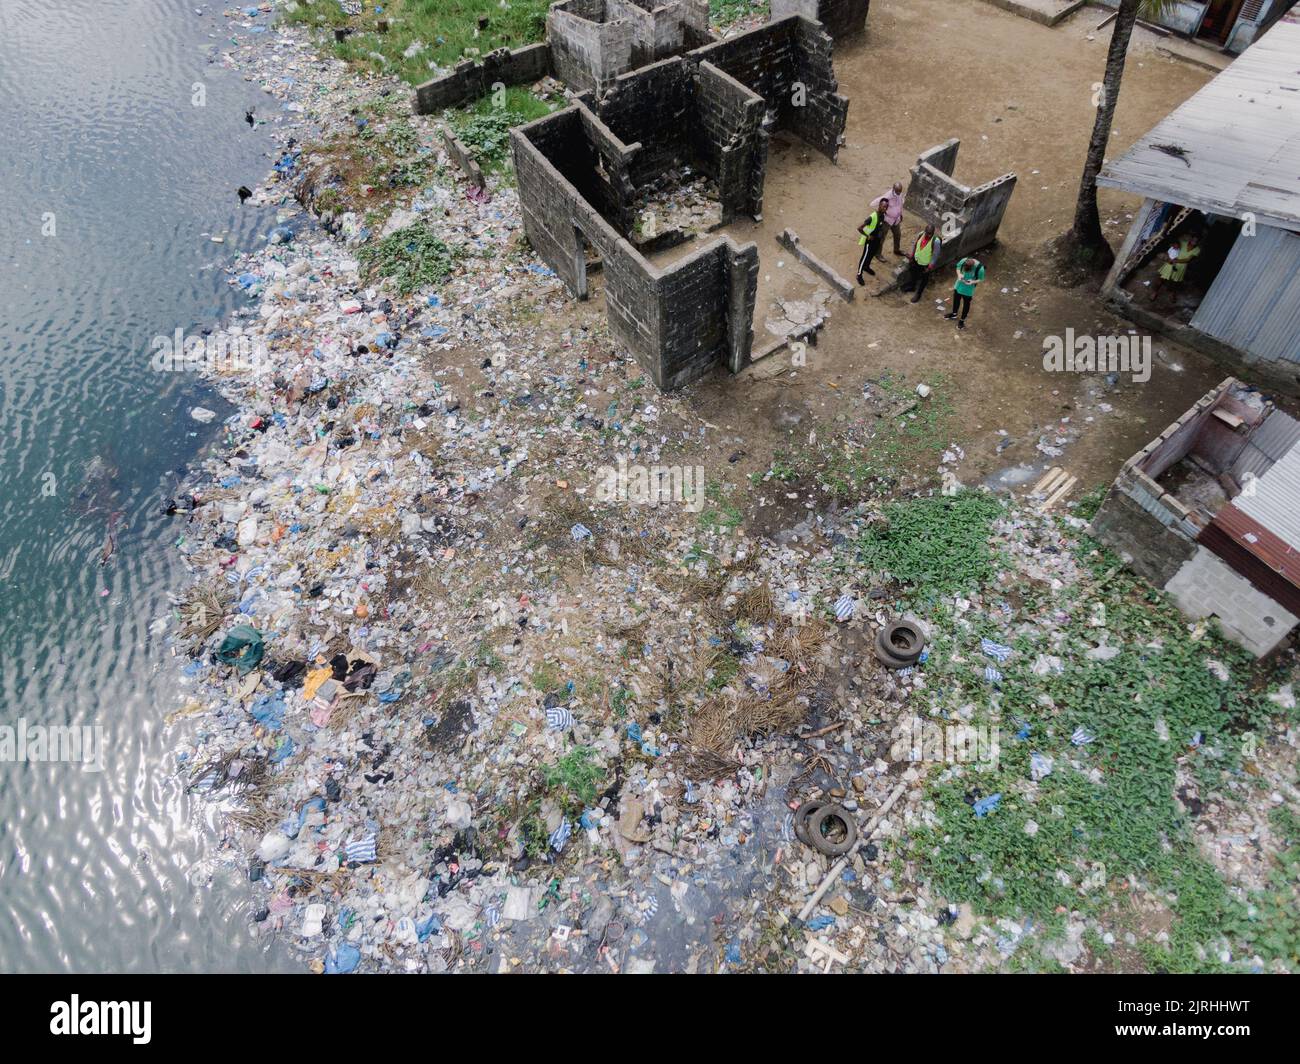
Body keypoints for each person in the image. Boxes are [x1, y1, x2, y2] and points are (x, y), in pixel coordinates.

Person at [1150, 232, 1201, 303]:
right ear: (1191, 238)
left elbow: (1188, 259)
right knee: (1161, 279)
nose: (1193, 242)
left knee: (1174, 283)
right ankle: (1154, 292)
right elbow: (1172, 248)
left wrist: (1176, 260)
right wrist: (1168, 257)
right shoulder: (1183, 243)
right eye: (1193, 239)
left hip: (1181, 267)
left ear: (1198, 242)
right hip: (1170, 263)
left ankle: (1172, 294)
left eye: (1196, 241)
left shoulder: (1197, 250)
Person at [899, 223, 941, 303]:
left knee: (924, 279)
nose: (929, 235)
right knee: (913, 273)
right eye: (927, 233)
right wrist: (912, 256)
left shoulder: (936, 242)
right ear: (925, 231)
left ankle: (918, 294)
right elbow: (915, 245)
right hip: (916, 260)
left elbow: (935, 255)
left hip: (925, 264)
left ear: (933, 233)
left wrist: (930, 267)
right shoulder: (921, 234)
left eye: (931, 233)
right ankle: (912, 286)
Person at [945, 256, 985, 328]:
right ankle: (954, 314)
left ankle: (962, 320)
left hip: (968, 290)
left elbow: (981, 279)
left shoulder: (980, 269)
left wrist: (972, 281)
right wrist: (959, 274)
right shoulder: (963, 260)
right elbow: (958, 267)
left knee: (966, 304)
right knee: (956, 299)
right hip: (958, 285)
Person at [856, 197, 890, 283]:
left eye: (886, 207)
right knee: (865, 257)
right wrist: (867, 236)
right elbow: (859, 228)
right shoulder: (872, 217)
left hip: (877, 241)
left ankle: (866, 267)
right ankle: (859, 274)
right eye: (883, 206)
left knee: (871, 255)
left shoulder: (883, 215)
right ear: (879, 205)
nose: (884, 208)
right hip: (869, 241)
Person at [877, 181, 905, 256]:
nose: (899, 193)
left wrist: (900, 214)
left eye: (900, 191)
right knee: (882, 237)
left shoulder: (900, 195)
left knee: (898, 234)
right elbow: (881, 208)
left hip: (896, 220)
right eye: (897, 191)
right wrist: (881, 219)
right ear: (893, 189)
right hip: (887, 220)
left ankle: (896, 250)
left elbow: (900, 205)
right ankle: (878, 254)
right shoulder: (887, 197)